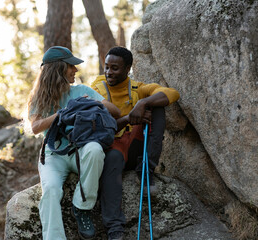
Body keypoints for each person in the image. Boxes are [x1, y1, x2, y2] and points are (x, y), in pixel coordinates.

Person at [27, 46, 120, 240]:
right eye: (71, 66)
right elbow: (35, 127)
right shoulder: (38, 97)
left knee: (95, 149)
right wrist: (63, 112)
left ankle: (82, 207)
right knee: (51, 190)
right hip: (54, 155)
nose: (75, 70)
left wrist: (91, 104)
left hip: (81, 149)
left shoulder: (82, 91)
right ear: (58, 69)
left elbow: (115, 112)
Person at [91, 46, 180, 240]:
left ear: (128, 68)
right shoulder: (97, 88)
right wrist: (129, 118)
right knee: (112, 158)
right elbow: (102, 127)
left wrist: (142, 103)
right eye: (106, 67)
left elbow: (172, 94)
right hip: (112, 149)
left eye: (115, 68)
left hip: (134, 147)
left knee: (156, 108)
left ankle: (146, 169)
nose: (108, 72)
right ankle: (115, 228)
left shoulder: (137, 88)